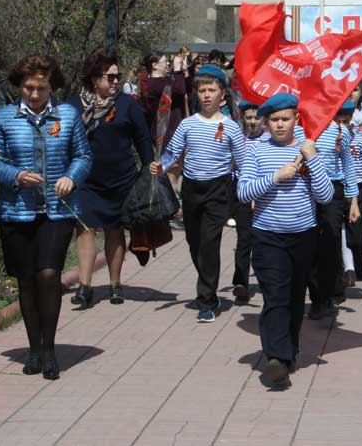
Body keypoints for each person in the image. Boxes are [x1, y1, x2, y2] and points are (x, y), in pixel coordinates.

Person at [0, 55, 92, 380]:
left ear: (50, 86)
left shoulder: (68, 115)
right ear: (20, 86)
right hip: (17, 212)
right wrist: (15, 175)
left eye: (41, 88)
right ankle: (33, 348)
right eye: (29, 87)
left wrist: (72, 176)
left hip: (57, 211)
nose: (34, 94)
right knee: (26, 279)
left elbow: (84, 156)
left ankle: (50, 350)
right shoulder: (3, 118)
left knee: (48, 274)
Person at [237, 93, 333, 387]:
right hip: (268, 236)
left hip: (303, 235)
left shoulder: (308, 147)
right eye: (274, 120)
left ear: (296, 119)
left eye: (285, 119)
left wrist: (312, 159)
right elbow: (243, 193)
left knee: (294, 298)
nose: (280, 125)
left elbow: (326, 196)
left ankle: (288, 351)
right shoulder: (255, 149)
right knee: (276, 296)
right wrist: (275, 177)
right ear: (266, 122)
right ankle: (275, 357)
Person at [150, 64, 246, 323]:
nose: (206, 95)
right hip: (192, 189)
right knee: (194, 243)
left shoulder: (231, 127)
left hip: (218, 190)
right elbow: (171, 154)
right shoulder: (187, 125)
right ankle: (208, 285)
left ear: (221, 95)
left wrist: (247, 188)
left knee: (209, 243)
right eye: (202, 90)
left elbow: (243, 161)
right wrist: (161, 166)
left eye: (211, 90)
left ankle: (206, 298)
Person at [68, 51, 154, 308]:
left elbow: (142, 140)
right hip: (85, 180)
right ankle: (84, 286)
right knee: (84, 230)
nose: (116, 81)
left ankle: (115, 284)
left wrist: (149, 168)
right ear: (95, 78)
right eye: (111, 77)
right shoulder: (74, 106)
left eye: (118, 77)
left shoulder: (127, 104)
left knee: (114, 230)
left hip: (121, 179)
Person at [308, 102, 360, 319]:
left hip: (333, 192)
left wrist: (353, 200)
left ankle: (328, 296)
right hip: (308, 192)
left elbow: (348, 166)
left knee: (330, 244)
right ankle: (316, 298)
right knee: (310, 246)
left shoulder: (340, 132)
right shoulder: (305, 130)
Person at [230, 100, 271, 302]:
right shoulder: (239, 139)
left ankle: (268, 280)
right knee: (244, 239)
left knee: (263, 242)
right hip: (243, 196)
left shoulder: (270, 140)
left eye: (256, 117)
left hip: (265, 197)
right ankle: (240, 283)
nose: (253, 121)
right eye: (248, 117)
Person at [142, 50, 188, 211]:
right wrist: (177, 72)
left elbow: (183, 89)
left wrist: (183, 72)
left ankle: (170, 208)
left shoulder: (165, 81)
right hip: (167, 135)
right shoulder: (154, 84)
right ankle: (167, 210)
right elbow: (179, 91)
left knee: (175, 171)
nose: (168, 64)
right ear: (154, 65)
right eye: (165, 61)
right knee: (171, 172)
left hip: (175, 133)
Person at [339, 101, 362, 285]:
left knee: (358, 238)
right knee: (342, 229)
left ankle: (360, 260)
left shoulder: (360, 142)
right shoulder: (332, 140)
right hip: (340, 190)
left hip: (359, 190)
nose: (344, 127)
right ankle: (348, 270)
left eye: (347, 123)